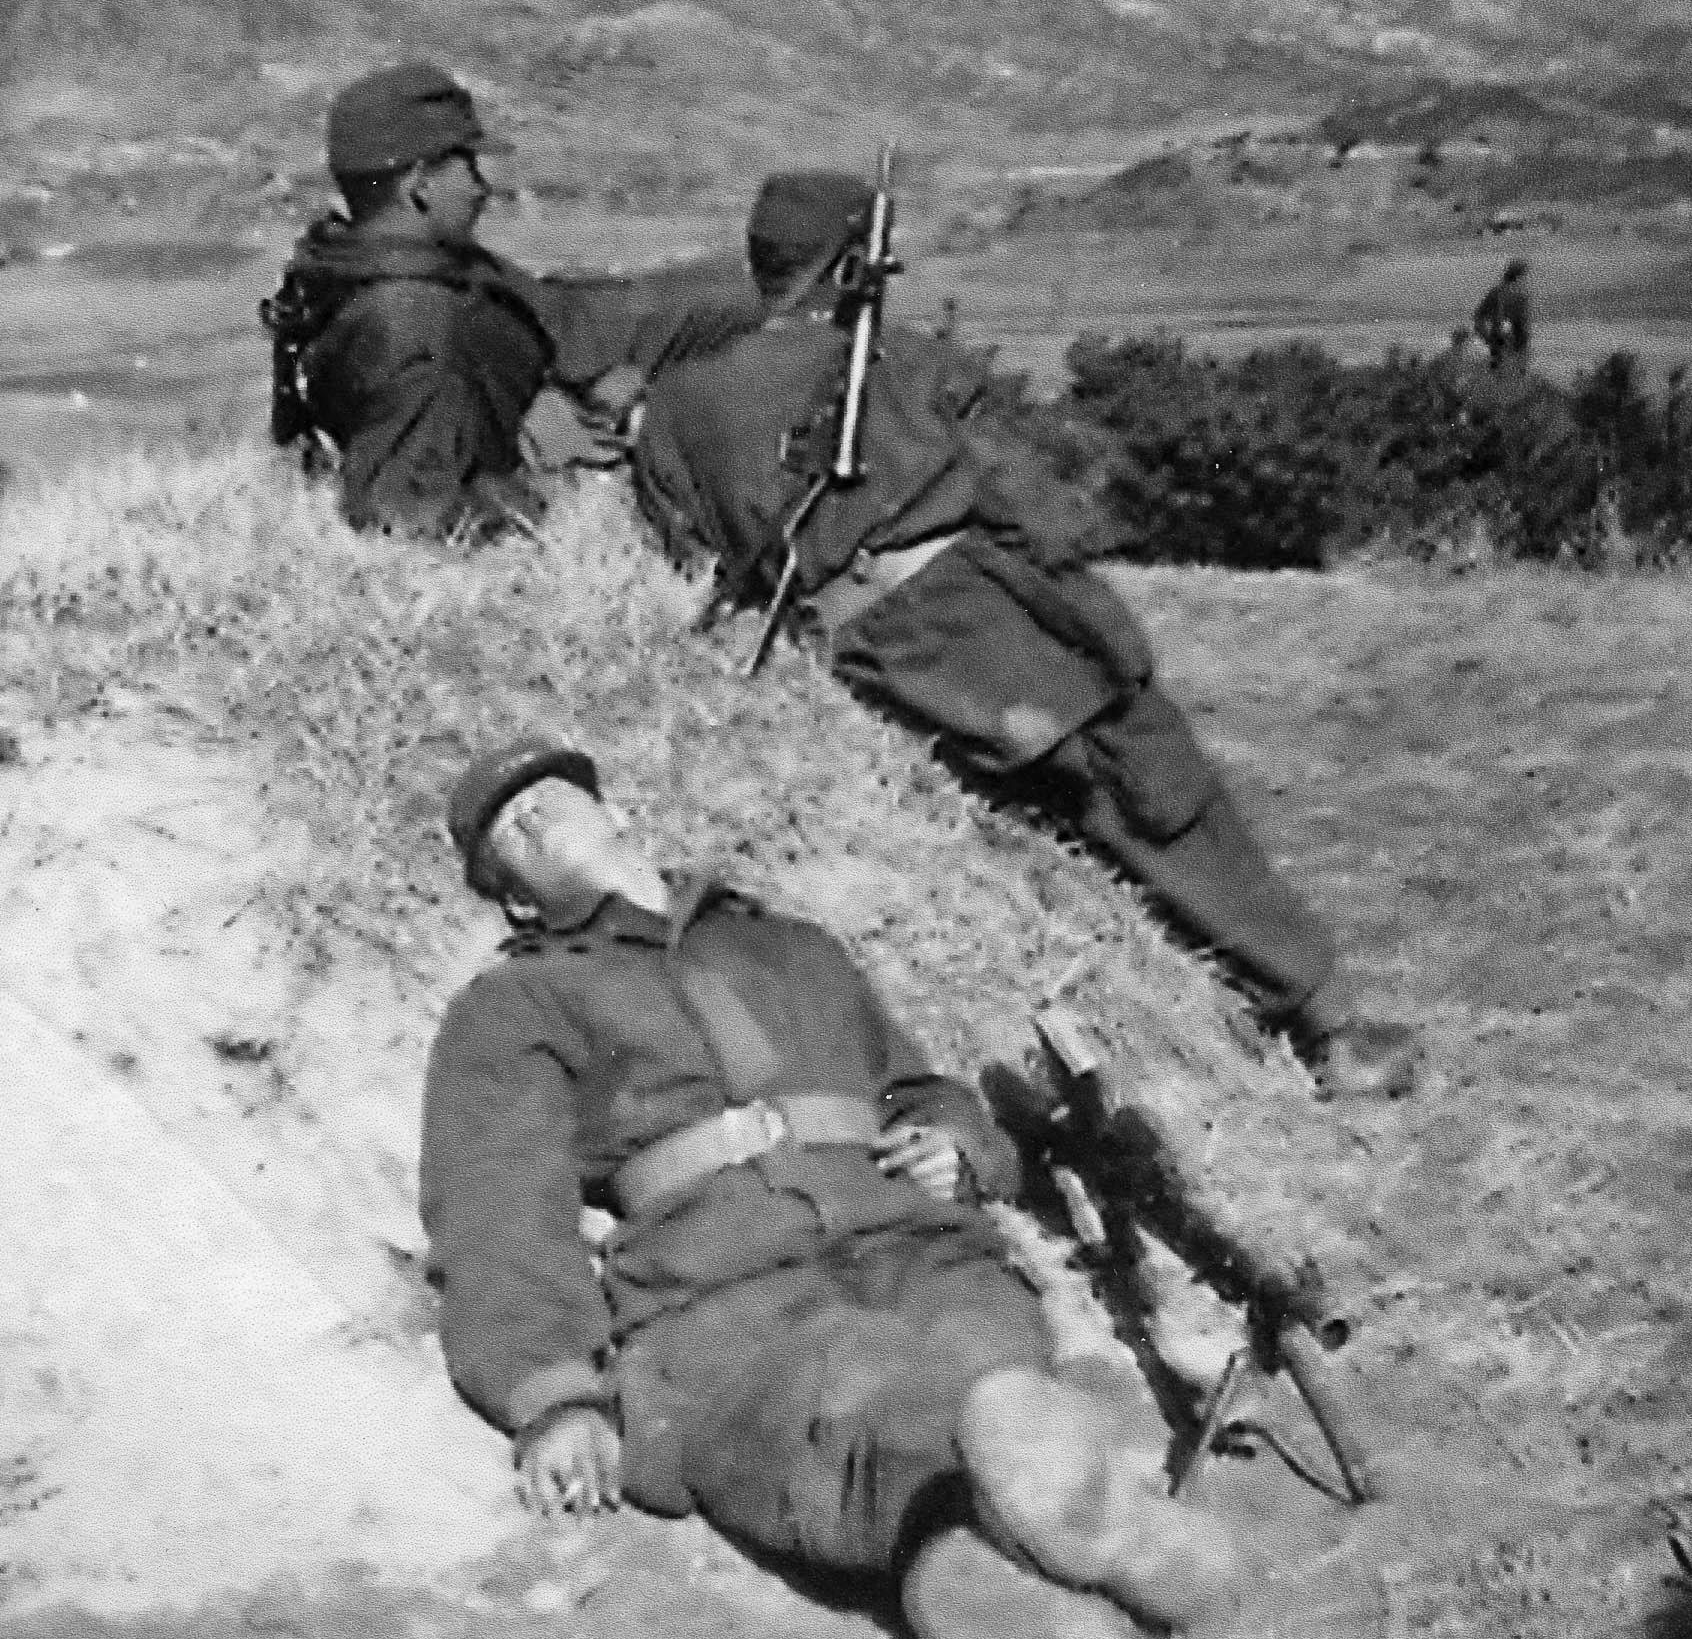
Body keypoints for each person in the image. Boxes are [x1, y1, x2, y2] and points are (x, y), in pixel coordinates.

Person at [422, 736, 1241, 1639]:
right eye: (507, 834)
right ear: (513, 899)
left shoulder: (792, 946)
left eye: (551, 797)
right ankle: (1101, 1566)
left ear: (618, 815)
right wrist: (552, 1390)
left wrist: (954, 1144)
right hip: (725, 1290)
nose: (533, 819)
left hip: (919, 1247)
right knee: (840, 1399)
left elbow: (919, 1086)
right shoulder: (511, 1007)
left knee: (977, 1372)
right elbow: (497, 1207)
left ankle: (1018, 1578)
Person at [629, 172, 1413, 1099]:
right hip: (975, 627)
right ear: (851, 269)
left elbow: (695, 552)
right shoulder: (902, 364)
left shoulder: (676, 408)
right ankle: (1327, 1023)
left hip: (854, 655)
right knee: (1157, 783)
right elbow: (1027, 504)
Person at [262, 62, 711, 540]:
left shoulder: (354, 266)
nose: (483, 187)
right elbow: (405, 529)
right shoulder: (422, 336)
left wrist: (564, 393)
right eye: (468, 166)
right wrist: (539, 464)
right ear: (420, 185)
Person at [1472, 258, 1532, 373]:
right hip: (1506, 339)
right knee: (1510, 372)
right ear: (1518, 276)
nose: (1526, 279)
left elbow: (1479, 316)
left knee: (1502, 371)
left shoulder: (1500, 291)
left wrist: (1486, 336)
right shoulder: (1511, 293)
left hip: (1506, 339)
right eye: (1524, 275)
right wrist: (1489, 336)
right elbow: (1479, 316)